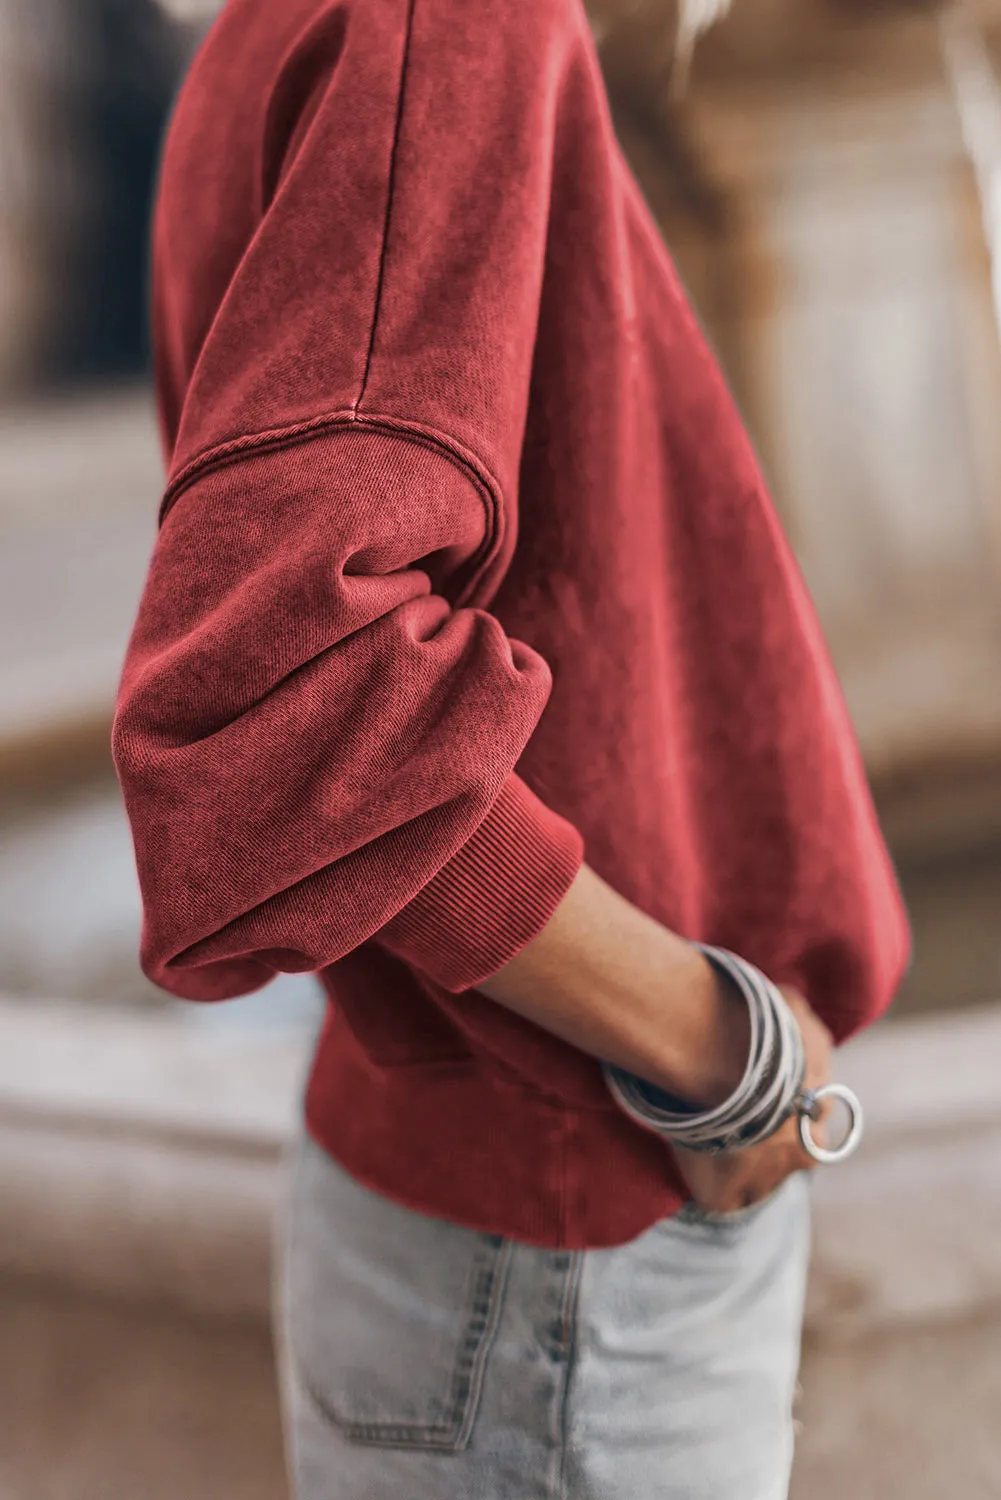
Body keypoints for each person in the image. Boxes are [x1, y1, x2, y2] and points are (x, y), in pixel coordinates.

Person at [112, 0, 911, 1495]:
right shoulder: (449, 18)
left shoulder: (285, 26)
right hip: (572, 1226)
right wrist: (716, 1050)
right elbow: (289, 679)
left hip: (497, 1221)